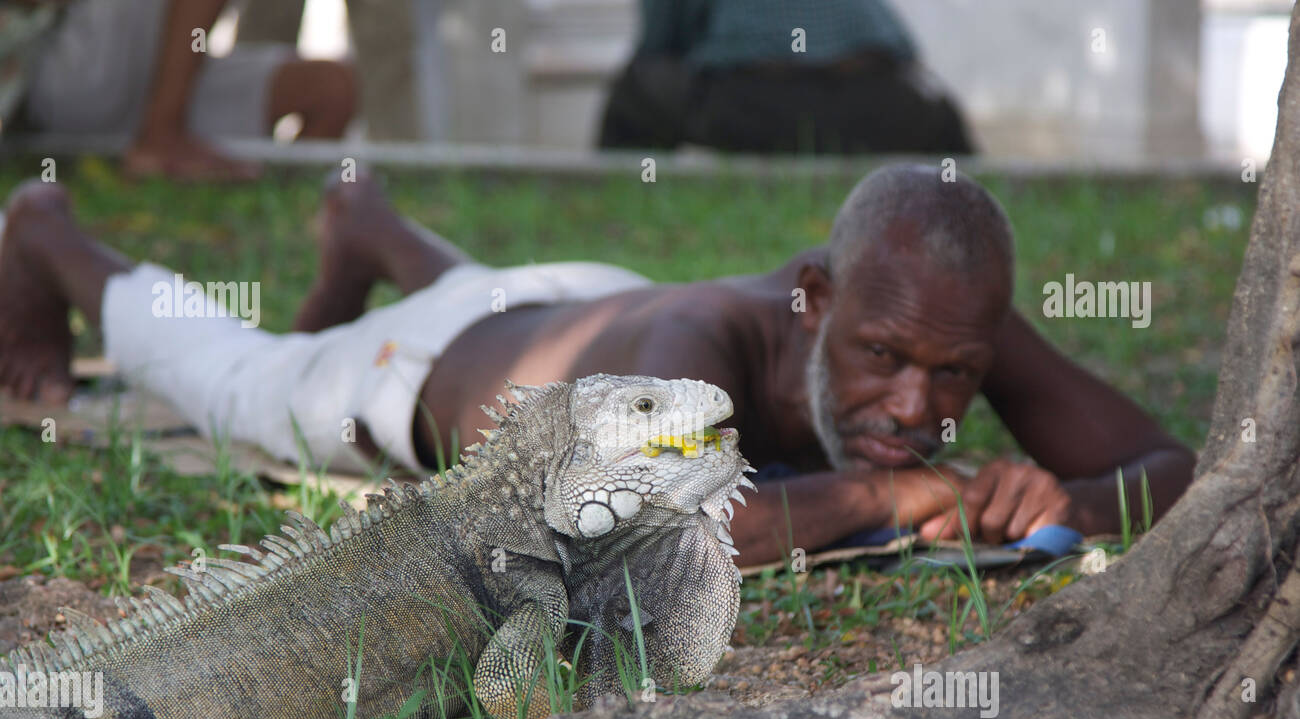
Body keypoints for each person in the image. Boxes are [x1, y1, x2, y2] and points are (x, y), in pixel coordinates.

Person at [0, 164, 1195, 565]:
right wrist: (882, 493)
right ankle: (50, 238)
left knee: (493, 297)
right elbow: (630, 523)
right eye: (883, 357)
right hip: (402, 374)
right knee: (228, 373)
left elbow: (1180, 465)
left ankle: (363, 219)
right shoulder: (700, 350)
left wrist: (1067, 498)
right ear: (814, 296)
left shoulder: (936, 313)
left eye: (954, 376)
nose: (916, 402)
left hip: (564, 307)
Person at [4, 0, 356, 181]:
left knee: (333, 90)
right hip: (68, 75)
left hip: (144, 85)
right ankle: (161, 137)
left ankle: (285, 215)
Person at [599, 0, 972, 154]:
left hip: (755, 104)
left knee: (635, 91)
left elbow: (658, 44)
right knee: (943, 122)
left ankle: (618, 205)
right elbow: (901, 49)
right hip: (878, 104)